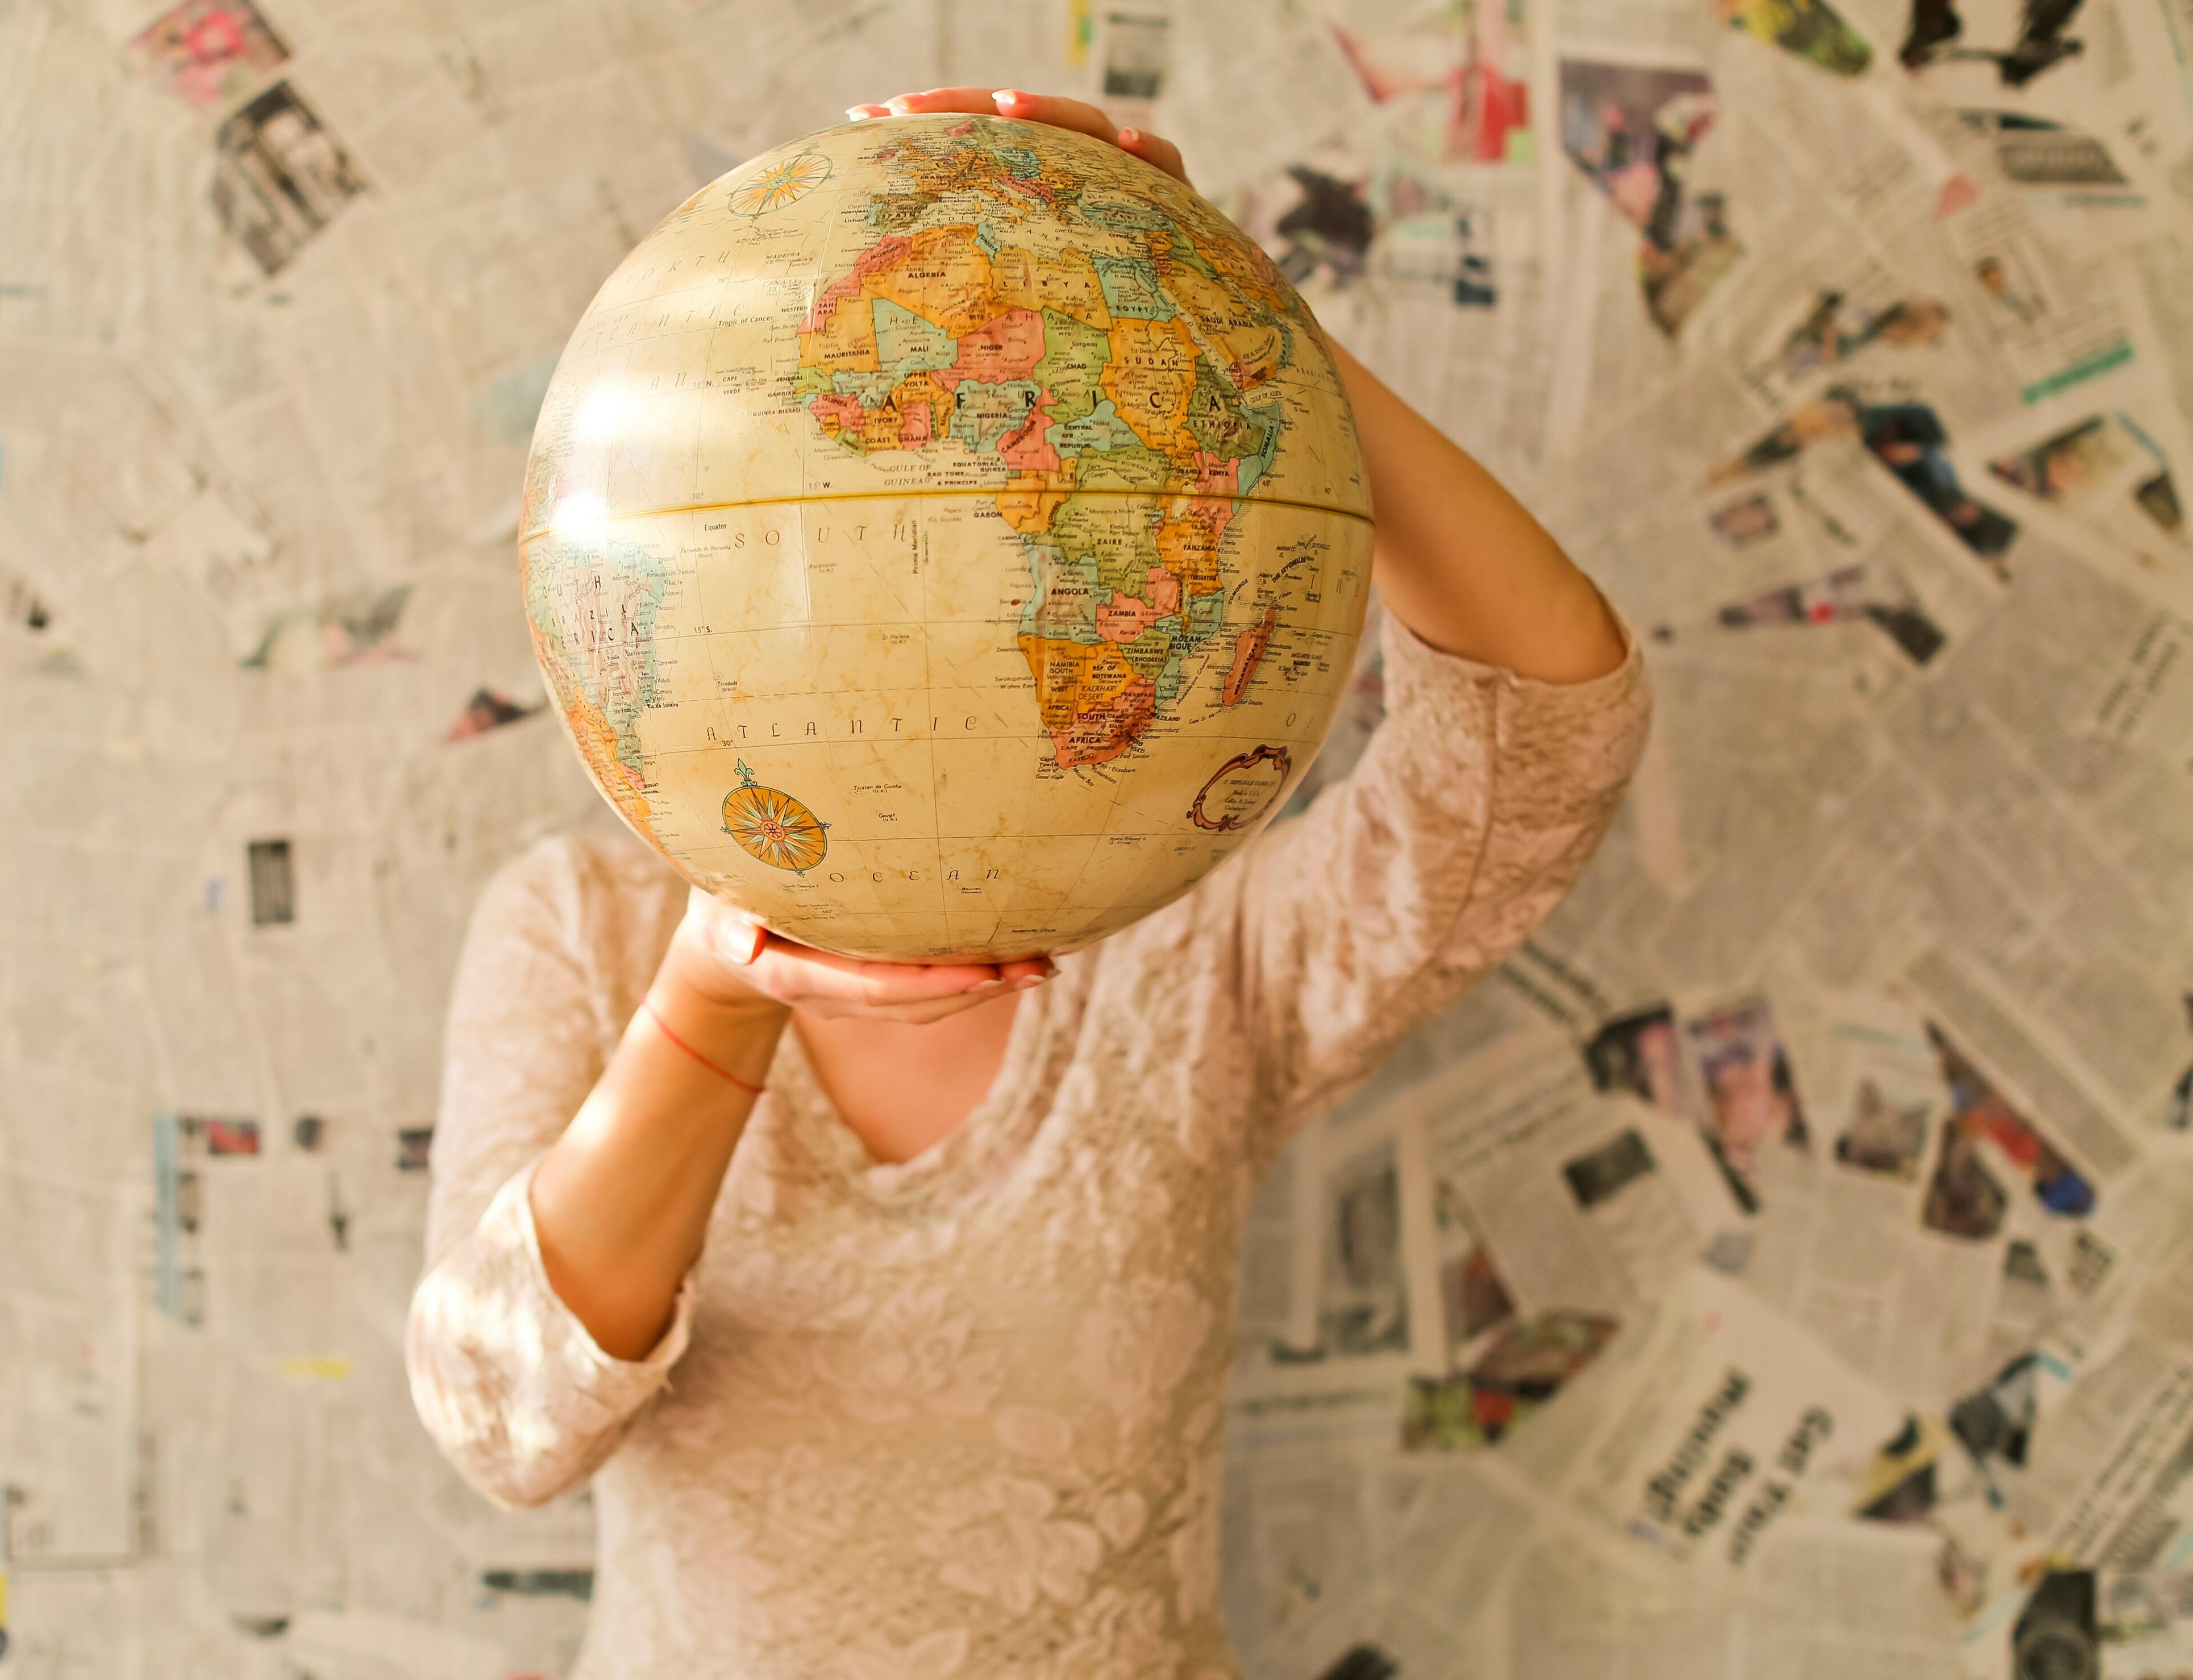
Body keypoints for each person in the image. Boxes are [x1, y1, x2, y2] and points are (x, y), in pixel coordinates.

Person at [405, 88, 1651, 1677]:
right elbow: (504, 1424)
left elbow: (1547, 732)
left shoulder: (1194, 937)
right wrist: (718, 996)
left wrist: (1235, 331)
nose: (895, 594)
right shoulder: (583, 929)